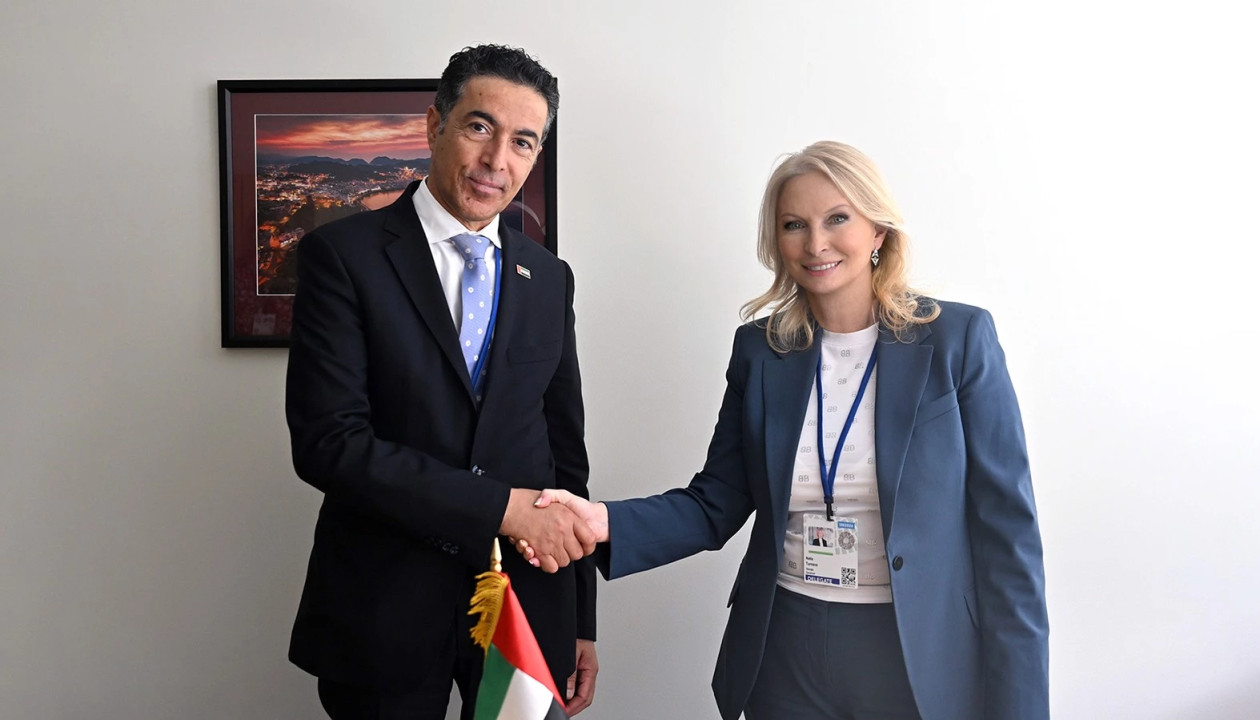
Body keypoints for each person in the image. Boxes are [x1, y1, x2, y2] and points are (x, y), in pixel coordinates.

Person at [526, 141, 1048, 720]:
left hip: (915, 650)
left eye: (837, 219)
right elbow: (715, 503)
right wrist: (603, 521)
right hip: (785, 648)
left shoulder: (957, 340)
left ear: (878, 230)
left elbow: (1008, 537)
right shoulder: (761, 350)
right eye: (794, 224)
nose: (815, 243)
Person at [285, 45, 598, 720]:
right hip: (385, 608)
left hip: (526, 606)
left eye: (523, 142)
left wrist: (579, 617)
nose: (497, 161)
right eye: (480, 127)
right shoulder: (343, 257)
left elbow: (564, 457)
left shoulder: (549, 278)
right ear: (435, 126)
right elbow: (329, 444)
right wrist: (500, 508)